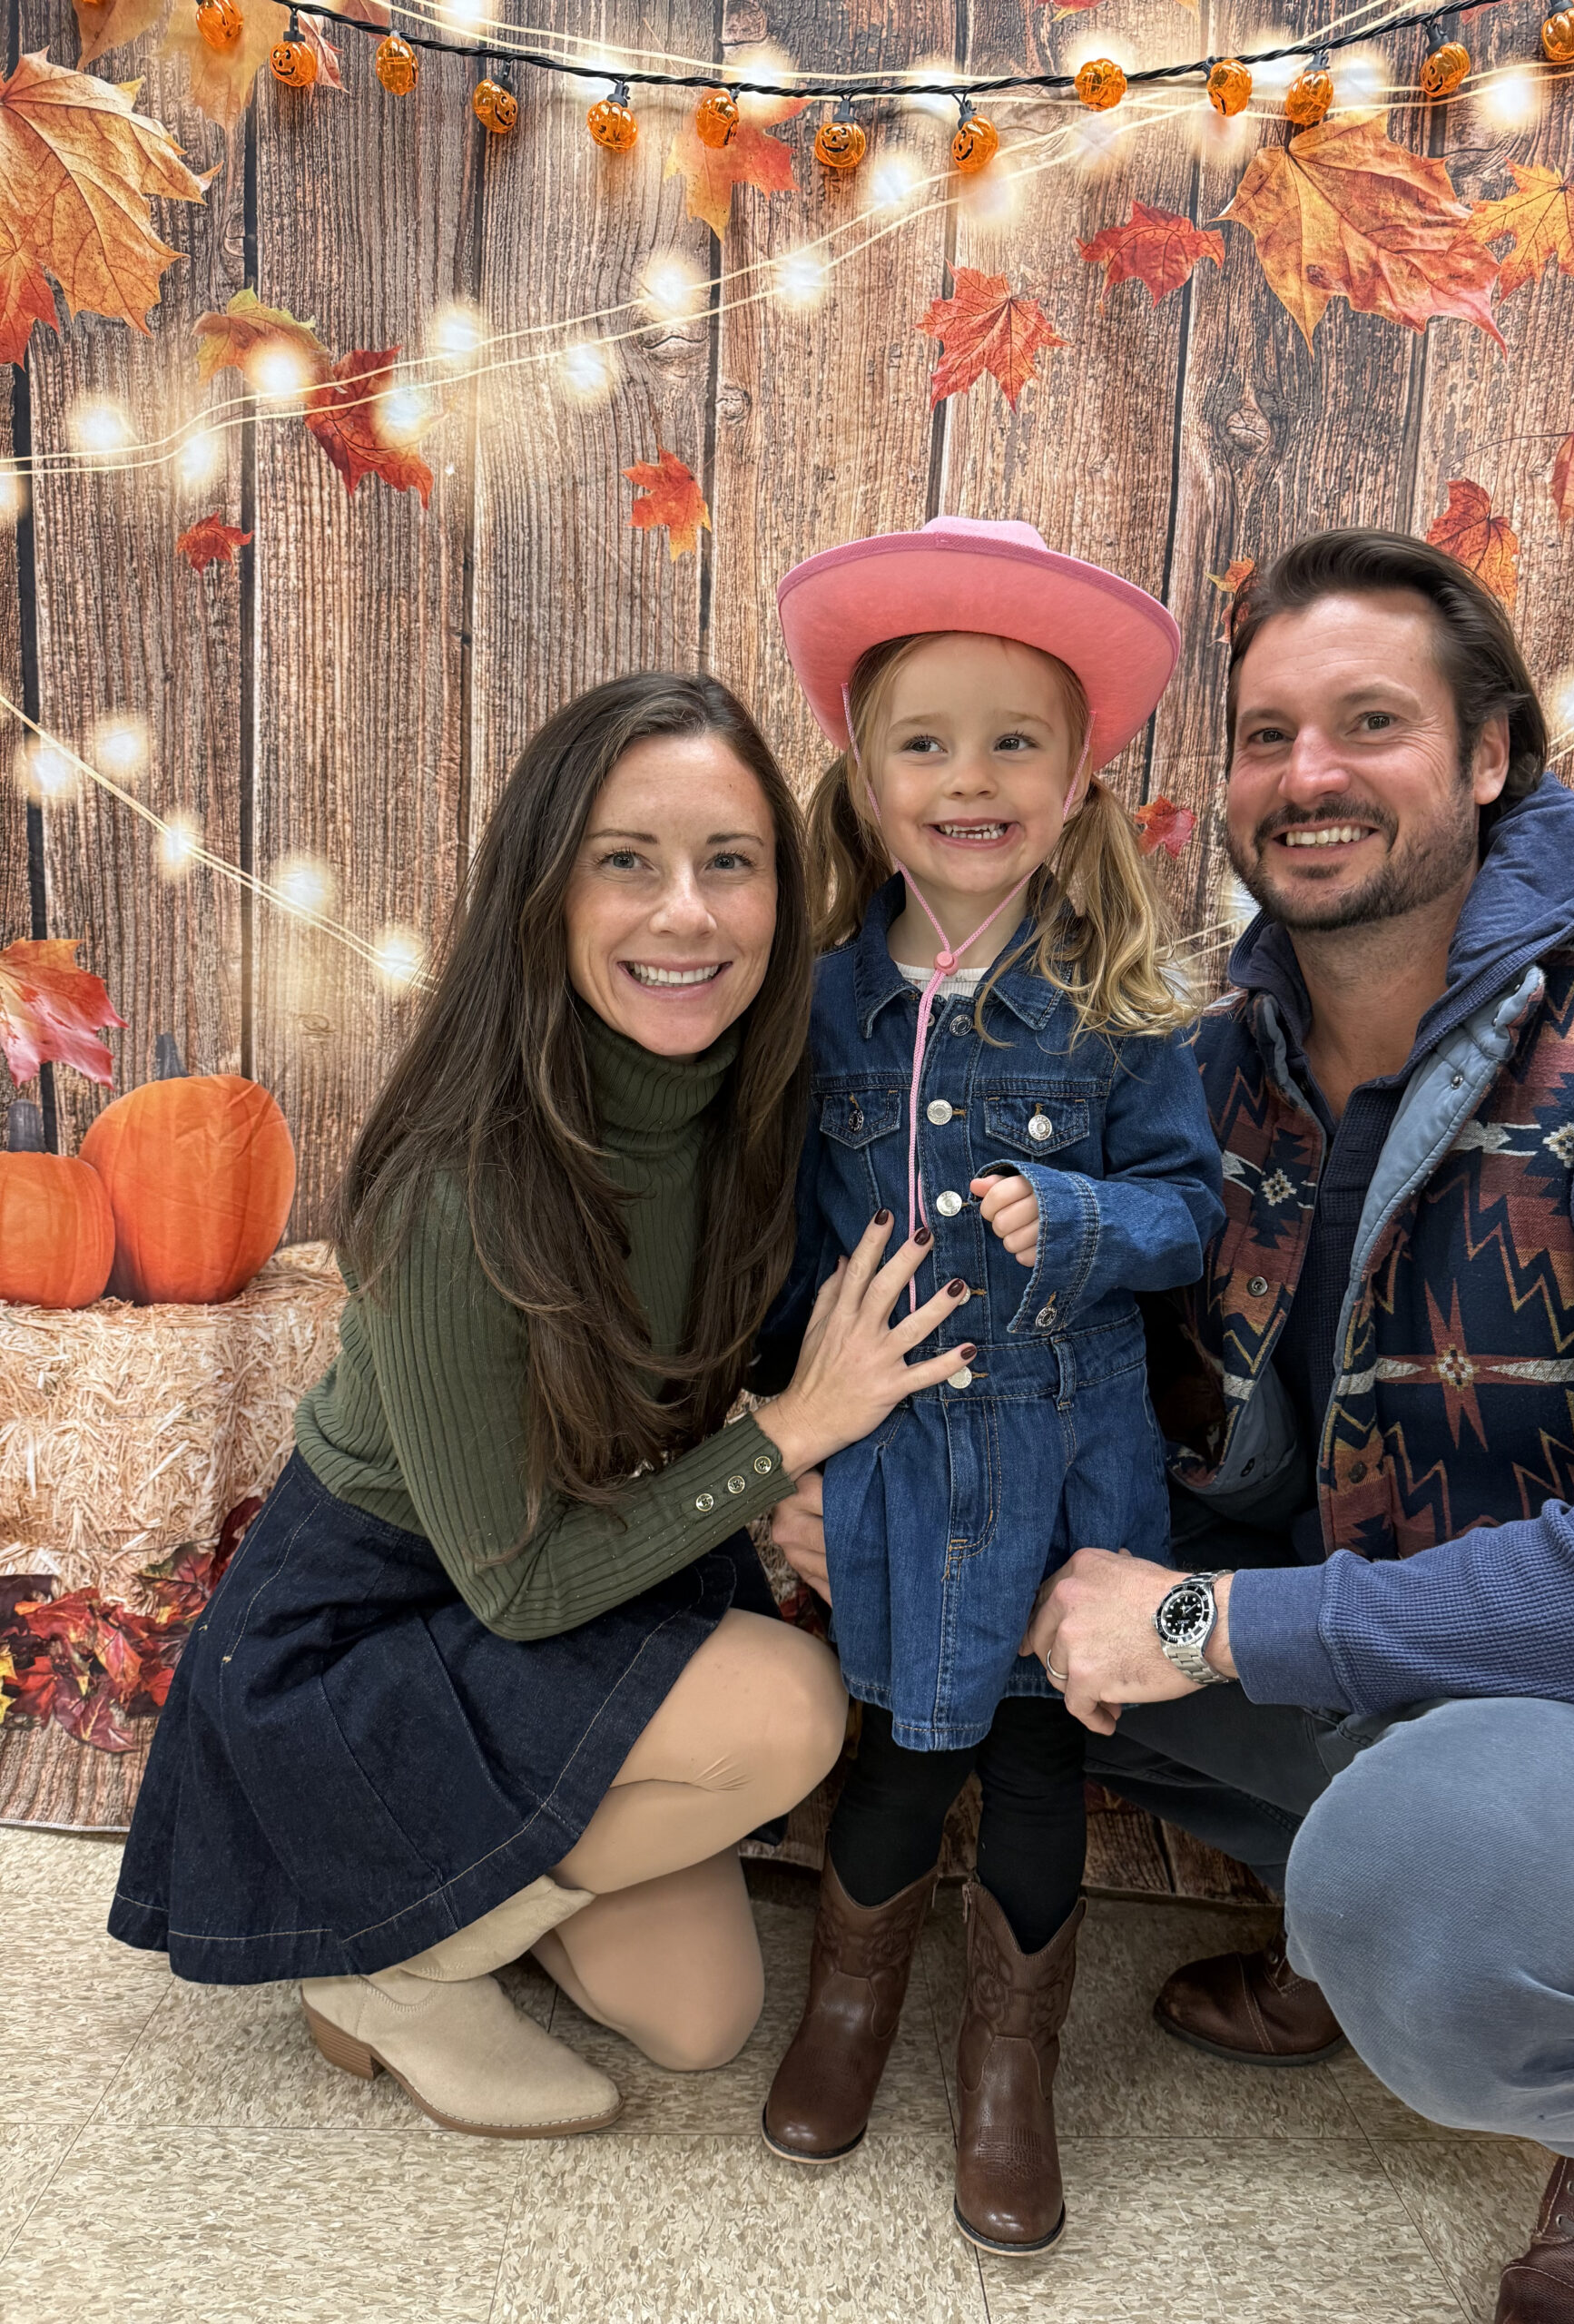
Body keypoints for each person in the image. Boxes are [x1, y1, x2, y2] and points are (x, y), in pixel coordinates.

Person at [1008, 529, 1574, 2324]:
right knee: (954, 1625)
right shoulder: (1217, 1063)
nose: (1307, 776)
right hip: (1407, 1645)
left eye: (1370, 723)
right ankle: (1370, 1892)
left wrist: (1206, 1624)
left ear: (1492, 756)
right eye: (1266, 735)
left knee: (1435, 1897)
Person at [109, 673, 980, 2141]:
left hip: (582, 1581)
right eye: (624, 862)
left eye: (731, 862)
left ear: (785, 890)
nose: (685, 915)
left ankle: (433, 1918)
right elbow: (516, 1588)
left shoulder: (757, 1111)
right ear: (547, 891)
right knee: (786, 1706)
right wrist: (782, 1445)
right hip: (371, 1635)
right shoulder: (462, 1185)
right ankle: (398, 1967)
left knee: (697, 2020)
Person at [756, 517, 1224, 2256]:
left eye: (1014, 740)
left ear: (1081, 774)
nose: (970, 779)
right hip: (887, 1456)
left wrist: (1085, 1216)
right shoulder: (815, 1011)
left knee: (1035, 1756)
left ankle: (1009, 2061)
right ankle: (851, 2004)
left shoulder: (1123, 1010)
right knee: (889, 1745)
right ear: (865, 778)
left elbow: (1193, 1215)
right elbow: (780, 1250)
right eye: (925, 743)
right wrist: (779, 1448)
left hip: (1071, 1451)